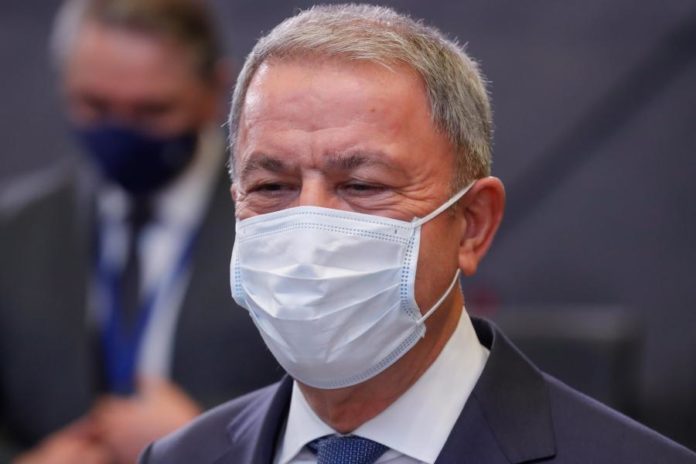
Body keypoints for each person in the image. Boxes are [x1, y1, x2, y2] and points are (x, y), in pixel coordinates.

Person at [139, 4, 696, 464]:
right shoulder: (178, 457)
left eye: (362, 185)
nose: (309, 228)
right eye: (271, 186)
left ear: (472, 224)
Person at [0, 0, 280, 462]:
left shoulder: (280, 227)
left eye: (152, 111)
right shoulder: (13, 234)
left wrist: (209, 442)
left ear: (214, 91)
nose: (121, 132)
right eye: (95, 105)